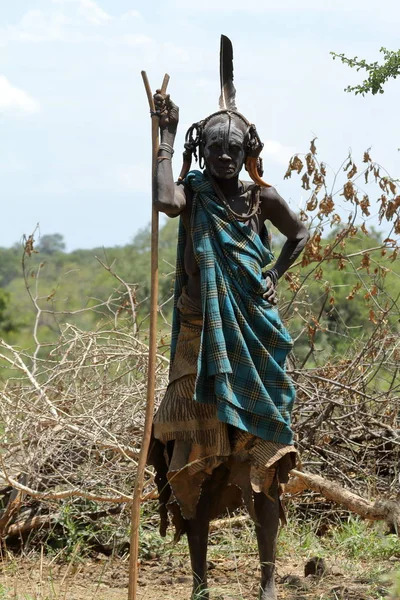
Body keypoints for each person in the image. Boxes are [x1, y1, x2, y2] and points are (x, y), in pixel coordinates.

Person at [148, 37, 310, 600]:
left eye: (232, 150)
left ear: (247, 152)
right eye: (213, 149)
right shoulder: (191, 195)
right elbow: (165, 201)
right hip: (197, 341)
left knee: (262, 456)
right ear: (202, 150)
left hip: (254, 342)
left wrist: (274, 275)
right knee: (194, 459)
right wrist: (165, 139)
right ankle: (198, 582)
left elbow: (302, 231)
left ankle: (266, 581)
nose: (222, 157)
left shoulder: (260, 199)